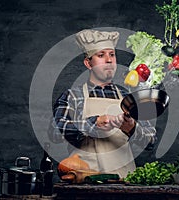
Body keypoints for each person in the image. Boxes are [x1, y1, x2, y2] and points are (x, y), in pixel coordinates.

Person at [52, 29, 157, 178]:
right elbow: (55, 132)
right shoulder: (74, 96)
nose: (109, 60)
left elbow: (151, 141)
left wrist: (132, 128)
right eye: (101, 55)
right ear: (88, 63)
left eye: (112, 55)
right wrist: (94, 123)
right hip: (86, 178)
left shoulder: (129, 97)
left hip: (124, 179)